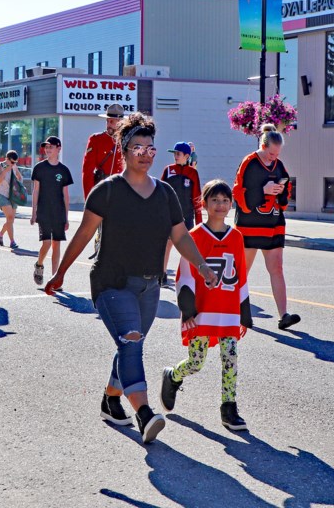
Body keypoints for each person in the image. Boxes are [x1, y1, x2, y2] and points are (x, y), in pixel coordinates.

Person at [44, 112, 218, 444]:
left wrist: (202, 266)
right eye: (137, 147)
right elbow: (83, 235)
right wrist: (60, 272)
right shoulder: (107, 191)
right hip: (112, 283)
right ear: (124, 150)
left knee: (129, 346)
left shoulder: (165, 193)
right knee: (132, 340)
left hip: (150, 287)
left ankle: (111, 400)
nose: (145, 153)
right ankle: (144, 413)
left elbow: (180, 236)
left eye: (150, 147)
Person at [160, 179, 253, 430]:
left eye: (225, 201)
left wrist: (245, 311)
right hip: (202, 310)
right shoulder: (195, 236)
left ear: (231, 204)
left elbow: (241, 275)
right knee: (196, 362)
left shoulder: (237, 237)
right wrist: (188, 309)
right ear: (204, 203)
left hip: (228, 310)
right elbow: (185, 275)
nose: (220, 205)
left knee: (230, 358)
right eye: (215, 200)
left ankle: (229, 408)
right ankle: (173, 375)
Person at [233, 124, 300, 330]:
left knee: (277, 269)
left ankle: (284, 315)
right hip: (250, 227)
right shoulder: (249, 162)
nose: (274, 157)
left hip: (273, 225)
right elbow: (239, 194)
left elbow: (286, 195)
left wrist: (280, 191)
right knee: (242, 271)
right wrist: (263, 190)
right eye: (271, 153)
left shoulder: (279, 166)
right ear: (263, 145)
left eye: (277, 154)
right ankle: (237, 312)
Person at [30, 137, 73, 286]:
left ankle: (55, 279)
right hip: (43, 211)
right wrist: (33, 212)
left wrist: (66, 217)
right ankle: (39, 265)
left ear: (58, 148)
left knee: (56, 245)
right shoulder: (39, 168)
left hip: (59, 213)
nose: (48, 149)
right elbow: (36, 191)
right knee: (47, 243)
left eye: (51, 147)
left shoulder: (64, 170)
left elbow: (66, 196)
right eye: (46, 147)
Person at [160, 142, 202, 286]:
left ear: (186, 156)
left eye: (178, 153)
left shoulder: (193, 173)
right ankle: (162, 274)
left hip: (187, 217)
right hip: (169, 216)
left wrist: (200, 223)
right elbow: (160, 193)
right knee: (166, 246)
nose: (175, 156)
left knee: (187, 248)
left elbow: (197, 198)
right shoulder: (168, 170)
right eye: (174, 153)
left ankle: (186, 276)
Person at [81, 104, 124, 199]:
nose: (108, 124)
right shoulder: (96, 140)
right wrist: (89, 198)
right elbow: (87, 171)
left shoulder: (127, 141)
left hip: (122, 191)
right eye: (107, 121)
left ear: (120, 122)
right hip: (102, 190)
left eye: (112, 121)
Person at [0, 150, 23, 250]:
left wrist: (18, 185)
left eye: (15, 162)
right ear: (7, 159)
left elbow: (20, 177)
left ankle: (1, 233)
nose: (14, 164)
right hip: (2, 194)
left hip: (12, 195)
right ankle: (12, 241)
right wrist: (6, 170)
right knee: (10, 217)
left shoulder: (14, 166)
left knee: (11, 220)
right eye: (12, 162)